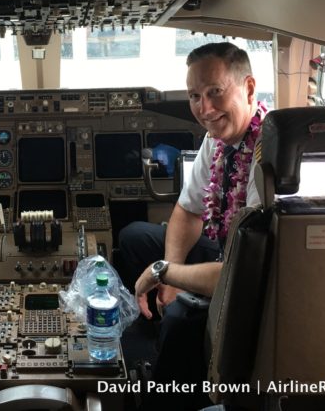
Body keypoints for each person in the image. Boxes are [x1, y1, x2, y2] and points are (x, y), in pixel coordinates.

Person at [119, 42, 267, 410]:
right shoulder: (216, 142)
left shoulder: (267, 157)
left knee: (183, 320)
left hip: (253, 280)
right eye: (195, 96)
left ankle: (165, 395)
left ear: (249, 88)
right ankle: (151, 327)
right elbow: (187, 210)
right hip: (226, 251)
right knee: (135, 237)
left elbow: (238, 273)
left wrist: (166, 273)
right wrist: (171, 271)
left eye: (215, 92)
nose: (205, 109)